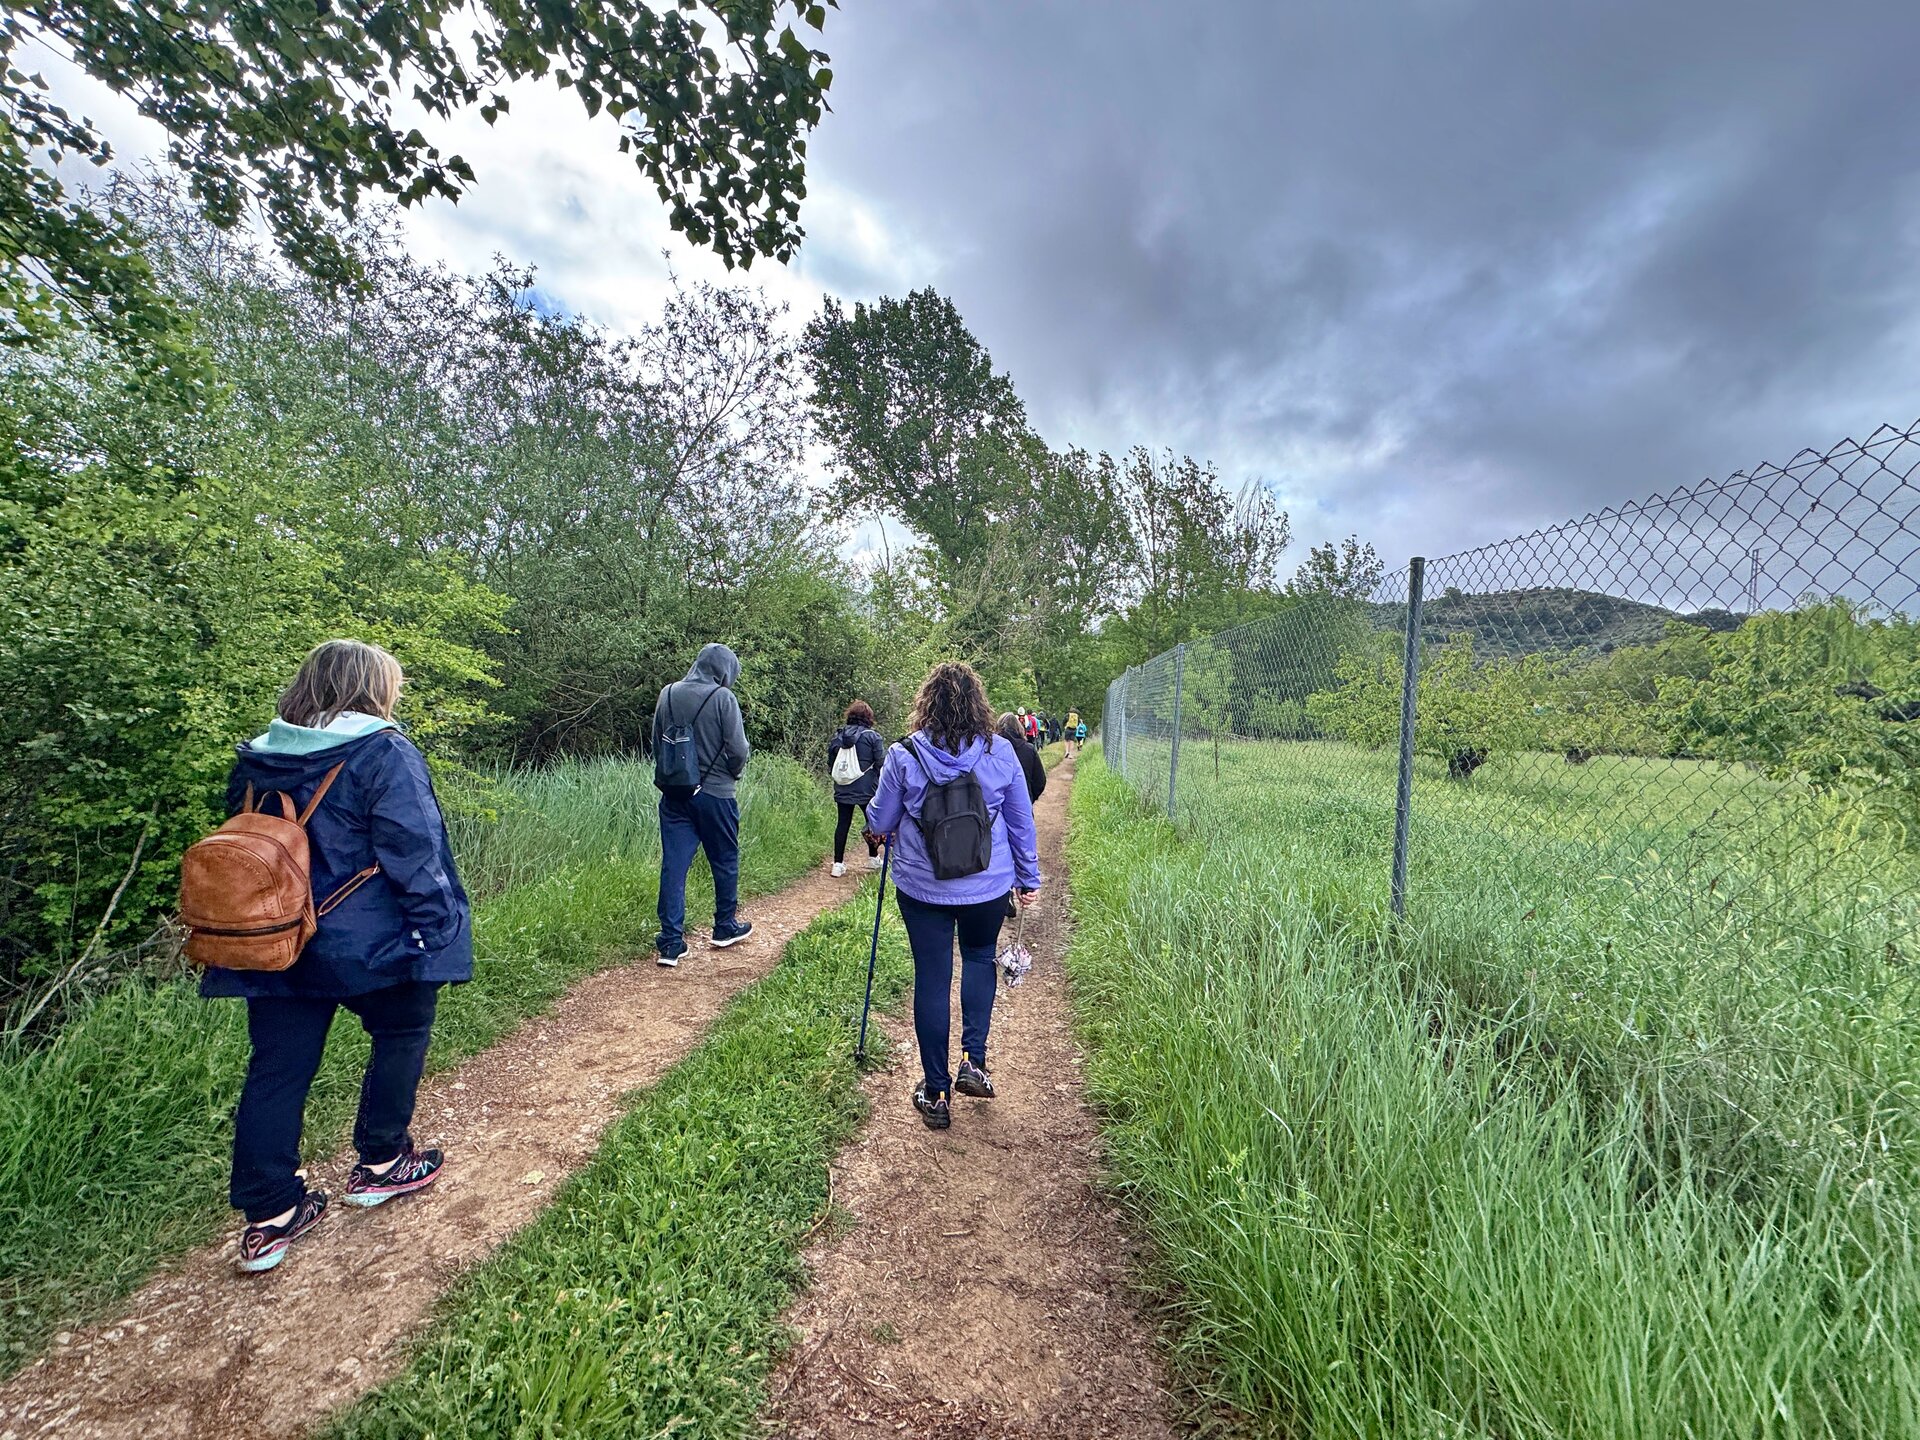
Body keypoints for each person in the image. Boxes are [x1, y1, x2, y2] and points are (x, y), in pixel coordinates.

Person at [202, 639, 471, 1274]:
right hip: (368, 940)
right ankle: (381, 1161)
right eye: (390, 686)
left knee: (277, 1070)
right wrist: (439, 931)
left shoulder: (258, 757)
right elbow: (414, 849)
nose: (395, 696)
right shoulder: (382, 750)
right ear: (370, 689)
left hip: (272, 940)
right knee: (401, 1031)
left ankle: (270, 1215)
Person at [868, 663, 1042, 1131]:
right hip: (988, 886)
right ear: (978, 704)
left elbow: (880, 823)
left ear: (926, 703)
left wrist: (878, 809)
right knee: (981, 958)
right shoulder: (1001, 752)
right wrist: (1028, 879)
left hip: (923, 887)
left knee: (932, 976)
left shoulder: (903, 755)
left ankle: (937, 1091)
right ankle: (974, 1061)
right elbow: (1021, 821)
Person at [652, 643, 753, 967]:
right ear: (724, 670)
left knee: (674, 867)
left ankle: (670, 942)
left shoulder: (667, 694)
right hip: (716, 795)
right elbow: (738, 749)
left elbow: (656, 742)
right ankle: (724, 926)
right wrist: (731, 773)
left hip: (675, 794)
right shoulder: (723, 698)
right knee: (724, 860)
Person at [827, 699, 886, 876]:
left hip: (843, 786)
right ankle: (873, 858)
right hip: (867, 788)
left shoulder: (839, 736)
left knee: (842, 823)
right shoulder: (872, 737)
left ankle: (838, 864)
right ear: (868, 717)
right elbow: (881, 763)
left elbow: (831, 763)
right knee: (872, 822)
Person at [997, 711, 1047, 805]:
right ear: (1019, 728)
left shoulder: (991, 749)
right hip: (1024, 802)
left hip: (997, 805)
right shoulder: (1029, 749)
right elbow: (1040, 781)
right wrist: (1030, 797)